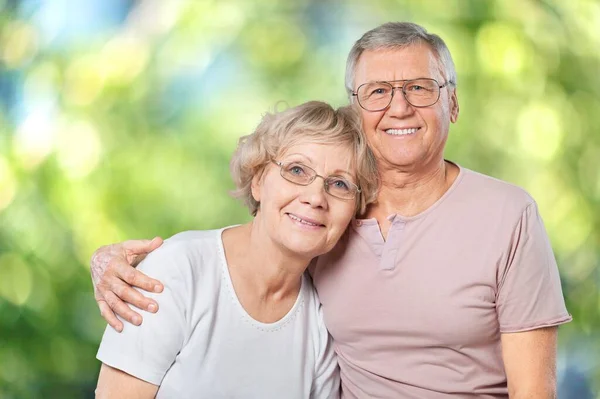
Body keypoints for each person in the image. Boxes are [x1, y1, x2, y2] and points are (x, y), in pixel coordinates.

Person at [91, 22, 572, 398]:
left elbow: (534, 391)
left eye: (421, 88)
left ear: (453, 102)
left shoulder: (509, 216)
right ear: (357, 109)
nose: (399, 106)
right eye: (378, 91)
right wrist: (110, 263)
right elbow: (232, 259)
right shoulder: (326, 224)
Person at [94, 101, 379, 398]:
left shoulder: (321, 323)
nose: (315, 197)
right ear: (258, 181)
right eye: (297, 170)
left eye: (340, 184)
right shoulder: (177, 269)